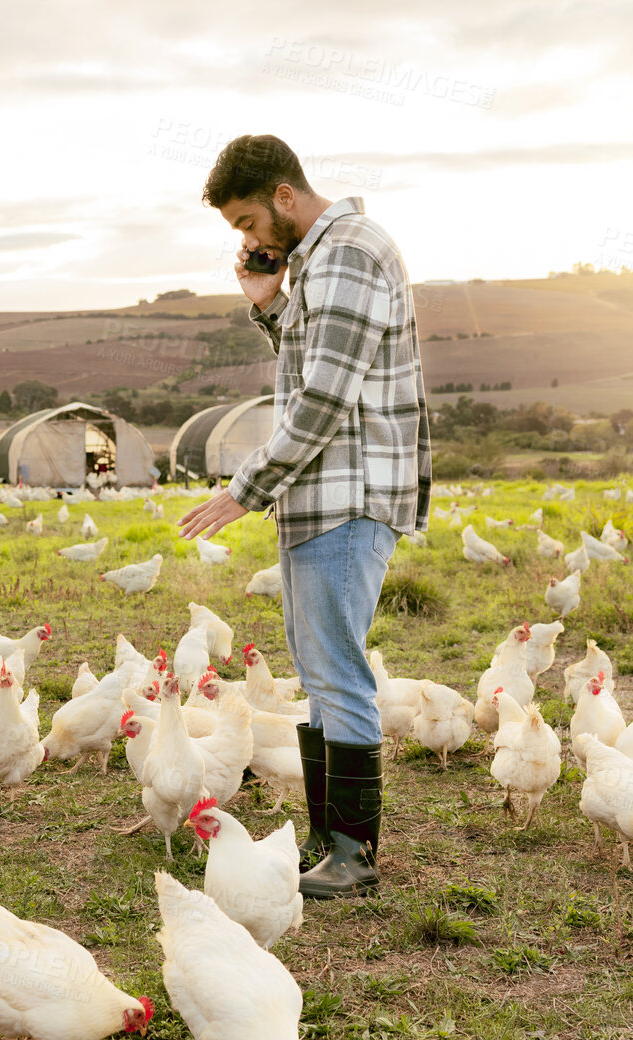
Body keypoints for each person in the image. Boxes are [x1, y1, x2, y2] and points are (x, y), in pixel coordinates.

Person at [178, 134, 431, 899]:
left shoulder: (349, 251)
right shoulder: (320, 262)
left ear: (285, 197)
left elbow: (325, 393)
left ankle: (353, 854)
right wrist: (269, 305)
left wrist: (244, 487)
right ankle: (330, 840)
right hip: (320, 493)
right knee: (320, 674)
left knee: (338, 672)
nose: (251, 240)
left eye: (250, 222)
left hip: (347, 493)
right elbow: (309, 358)